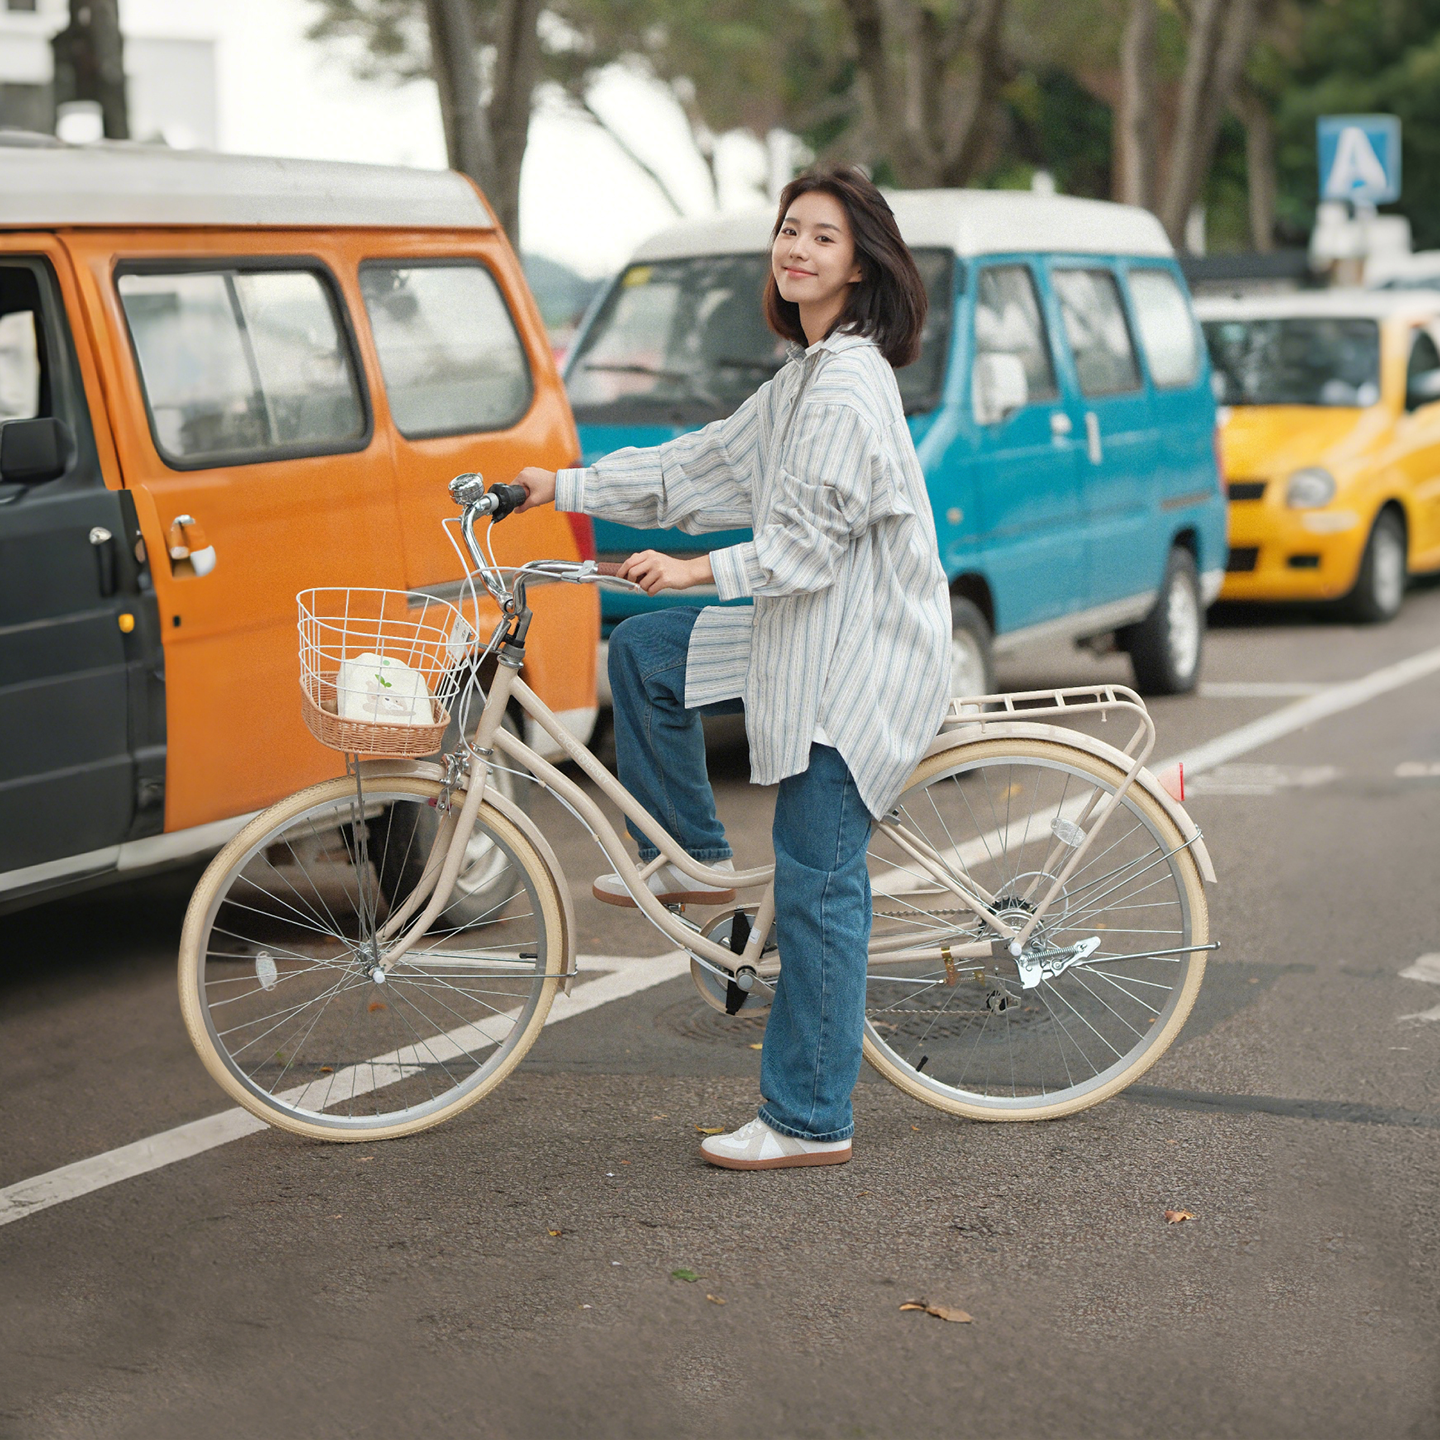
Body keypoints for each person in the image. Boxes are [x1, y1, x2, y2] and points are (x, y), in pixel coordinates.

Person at [513, 165, 951, 1170]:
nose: (796, 249)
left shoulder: (847, 384)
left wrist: (694, 566)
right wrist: (558, 482)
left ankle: (808, 1121)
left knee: (818, 885)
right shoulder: (802, 375)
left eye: (822, 238)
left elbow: (802, 551)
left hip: (861, 660)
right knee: (646, 650)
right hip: (807, 629)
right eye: (788, 231)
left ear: (862, 262)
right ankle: (694, 862)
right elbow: (695, 466)